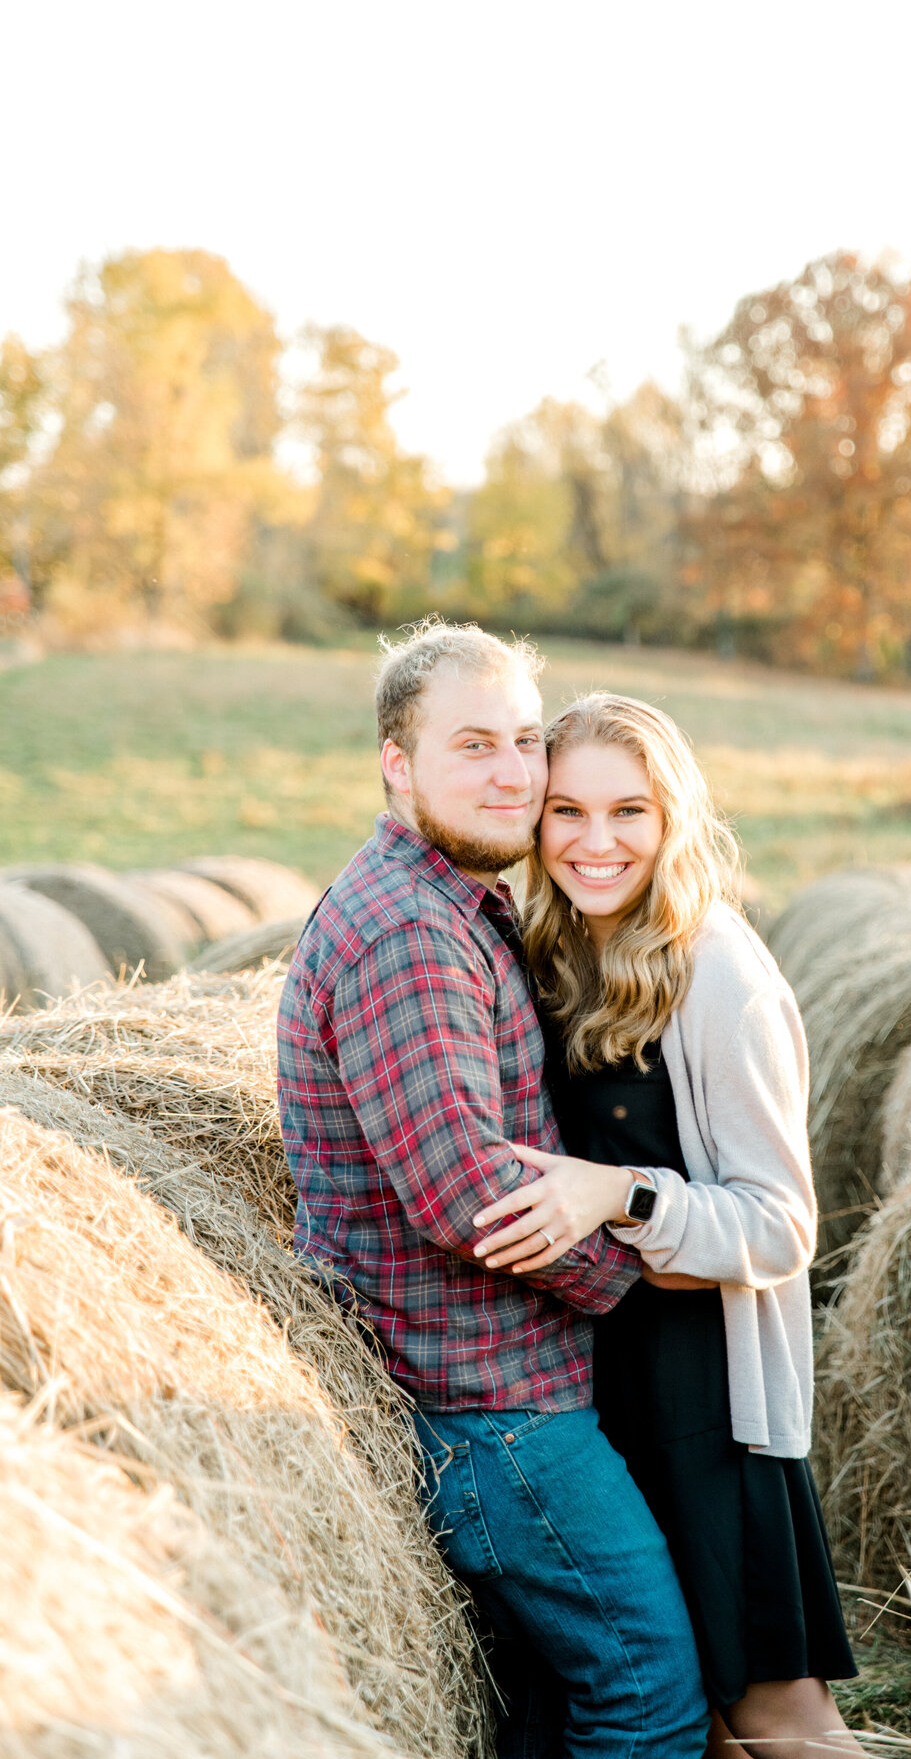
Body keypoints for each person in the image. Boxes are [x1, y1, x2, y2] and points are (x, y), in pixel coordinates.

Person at [276, 624, 709, 1759]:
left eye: (526, 740)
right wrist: (644, 1260)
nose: (517, 772)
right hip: (489, 1408)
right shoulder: (412, 933)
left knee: (550, 1709)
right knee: (651, 1693)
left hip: (492, 1390)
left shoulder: (459, 905)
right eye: (474, 744)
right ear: (396, 762)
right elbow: (470, 1195)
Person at [472, 692, 864, 1759]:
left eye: (629, 812)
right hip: (599, 1388)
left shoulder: (717, 971)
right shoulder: (556, 957)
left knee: (777, 1717)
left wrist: (620, 1192)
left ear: (672, 818)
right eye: (568, 812)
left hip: (711, 1402)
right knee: (697, 1724)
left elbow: (783, 1226)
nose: (597, 843)